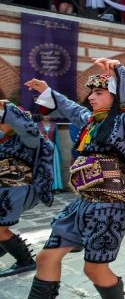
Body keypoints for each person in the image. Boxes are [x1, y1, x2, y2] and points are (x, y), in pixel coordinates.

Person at [24, 58, 125, 299]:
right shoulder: (91, 122)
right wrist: (47, 91)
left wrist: (119, 71)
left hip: (111, 206)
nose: (91, 97)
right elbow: (71, 108)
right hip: (82, 203)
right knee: (46, 257)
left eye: (99, 92)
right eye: (91, 93)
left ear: (116, 97)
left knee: (94, 269)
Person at [0, 101, 54, 278]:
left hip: (18, 189)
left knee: (0, 227)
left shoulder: (28, 138)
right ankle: (6, 247)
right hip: (5, 189)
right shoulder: (4, 138)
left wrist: (9, 107)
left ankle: (25, 261)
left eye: (2, 119)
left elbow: (26, 126)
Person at [36, 116, 64, 191]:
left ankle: (56, 186)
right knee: (44, 167)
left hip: (53, 149)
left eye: (48, 114)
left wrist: (58, 148)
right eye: (44, 114)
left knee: (54, 167)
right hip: (42, 149)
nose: (46, 116)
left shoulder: (54, 124)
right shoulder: (36, 125)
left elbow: (57, 138)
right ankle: (45, 187)